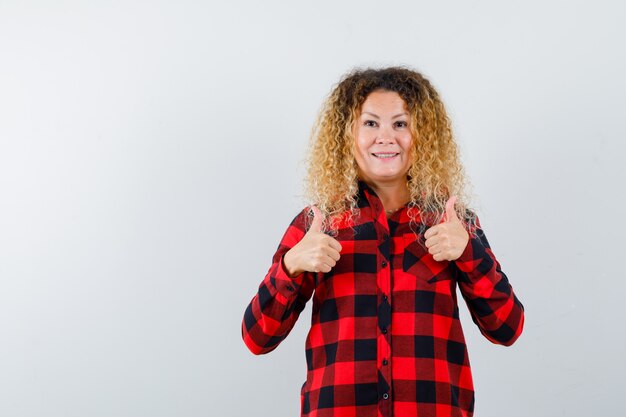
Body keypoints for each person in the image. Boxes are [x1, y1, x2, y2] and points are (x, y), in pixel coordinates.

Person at [241, 66, 525, 417]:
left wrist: (468, 252)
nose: (386, 137)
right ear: (347, 135)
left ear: (423, 134)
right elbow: (257, 338)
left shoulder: (452, 222)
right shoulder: (318, 224)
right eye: (371, 123)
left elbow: (508, 327)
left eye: (401, 124)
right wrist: (290, 266)